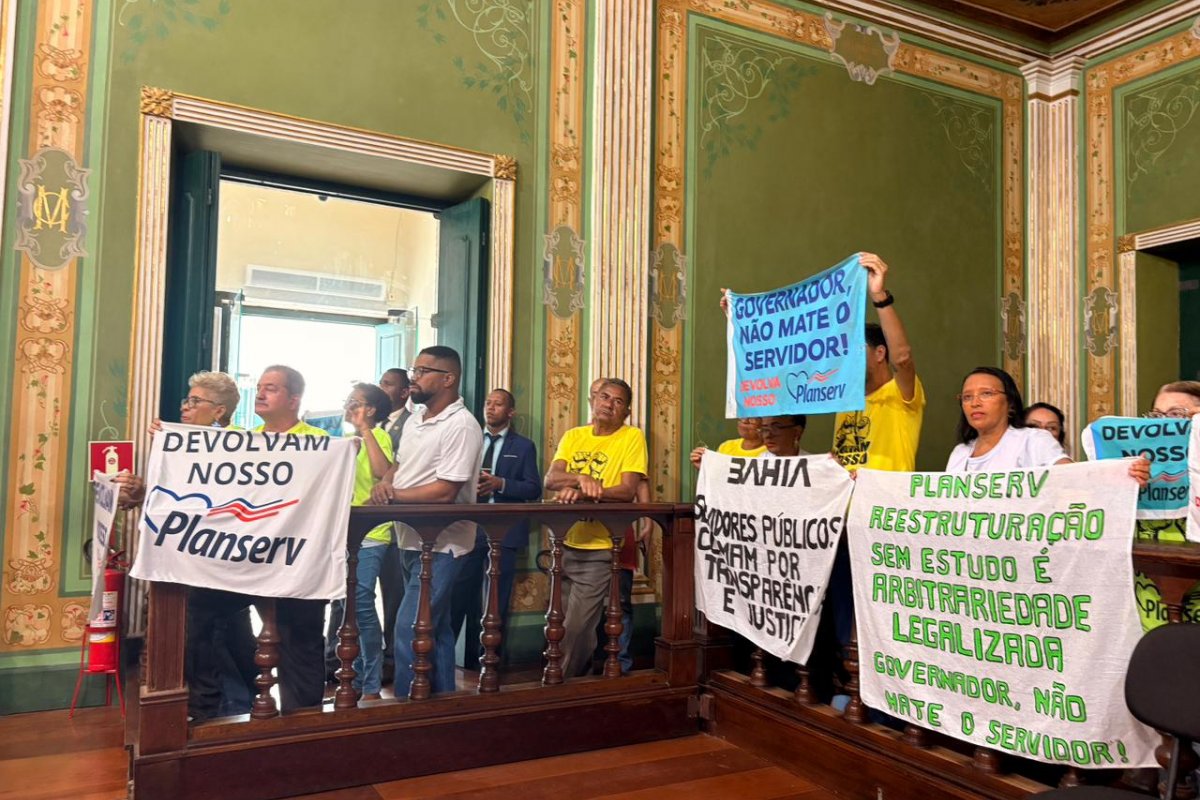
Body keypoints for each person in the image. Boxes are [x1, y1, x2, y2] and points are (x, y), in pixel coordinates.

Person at [187, 366, 331, 718]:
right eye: (260, 387)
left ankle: (303, 720)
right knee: (195, 612)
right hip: (244, 557)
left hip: (293, 560)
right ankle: (203, 708)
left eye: (272, 388)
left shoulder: (319, 441)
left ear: (294, 399)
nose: (262, 394)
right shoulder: (243, 440)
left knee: (300, 638)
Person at [370, 346, 483, 697]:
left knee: (410, 627)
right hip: (409, 537)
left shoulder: (462, 425)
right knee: (438, 628)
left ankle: (408, 707)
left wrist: (392, 498)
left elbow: (445, 491)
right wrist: (387, 483)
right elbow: (398, 467)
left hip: (442, 542)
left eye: (422, 371)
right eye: (414, 369)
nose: (413, 377)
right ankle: (444, 703)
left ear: (448, 379)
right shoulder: (417, 420)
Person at [544, 378, 647, 679]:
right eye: (604, 397)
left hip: (600, 546)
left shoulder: (631, 437)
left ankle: (557, 685)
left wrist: (590, 490)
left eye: (617, 401)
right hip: (563, 540)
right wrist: (580, 480)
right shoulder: (574, 435)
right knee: (558, 623)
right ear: (593, 399)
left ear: (625, 411)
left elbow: (627, 490)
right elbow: (551, 479)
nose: (609, 404)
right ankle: (577, 681)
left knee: (578, 627)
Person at [449, 389, 542, 662]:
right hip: (466, 528)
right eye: (488, 403)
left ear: (510, 412)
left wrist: (500, 484)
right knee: (455, 596)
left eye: (498, 404)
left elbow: (534, 488)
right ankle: (439, 663)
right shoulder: (469, 439)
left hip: (504, 533)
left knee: (494, 602)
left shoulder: (523, 446)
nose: (490, 408)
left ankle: (488, 663)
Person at [948, 367, 1149, 483]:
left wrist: (1122, 476)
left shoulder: (1033, 440)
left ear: (1010, 403)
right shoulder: (960, 452)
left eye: (986, 394)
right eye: (967, 397)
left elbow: (1077, 478)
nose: (975, 402)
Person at [831, 253, 923, 471]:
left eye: (857, 350)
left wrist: (879, 296)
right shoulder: (846, 402)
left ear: (880, 353)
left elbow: (902, 359)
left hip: (887, 504)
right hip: (851, 505)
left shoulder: (900, 394)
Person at [341, 383, 393, 702]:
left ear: (370, 410)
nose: (347, 406)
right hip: (344, 530)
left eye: (354, 402)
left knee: (361, 601)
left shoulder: (381, 435)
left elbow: (382, 471)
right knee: (349, 605)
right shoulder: (344, 440)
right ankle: (355, 674)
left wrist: (365, 430)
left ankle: (371, 679)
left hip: (373, 531)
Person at [377, 367, 412, 685]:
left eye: (387, 384)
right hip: (369, 525)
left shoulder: (410, 425)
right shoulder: (373, 424)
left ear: (404, 393)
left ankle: (391, 662)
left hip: (397, 526)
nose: (381, 388)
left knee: (394, 596)